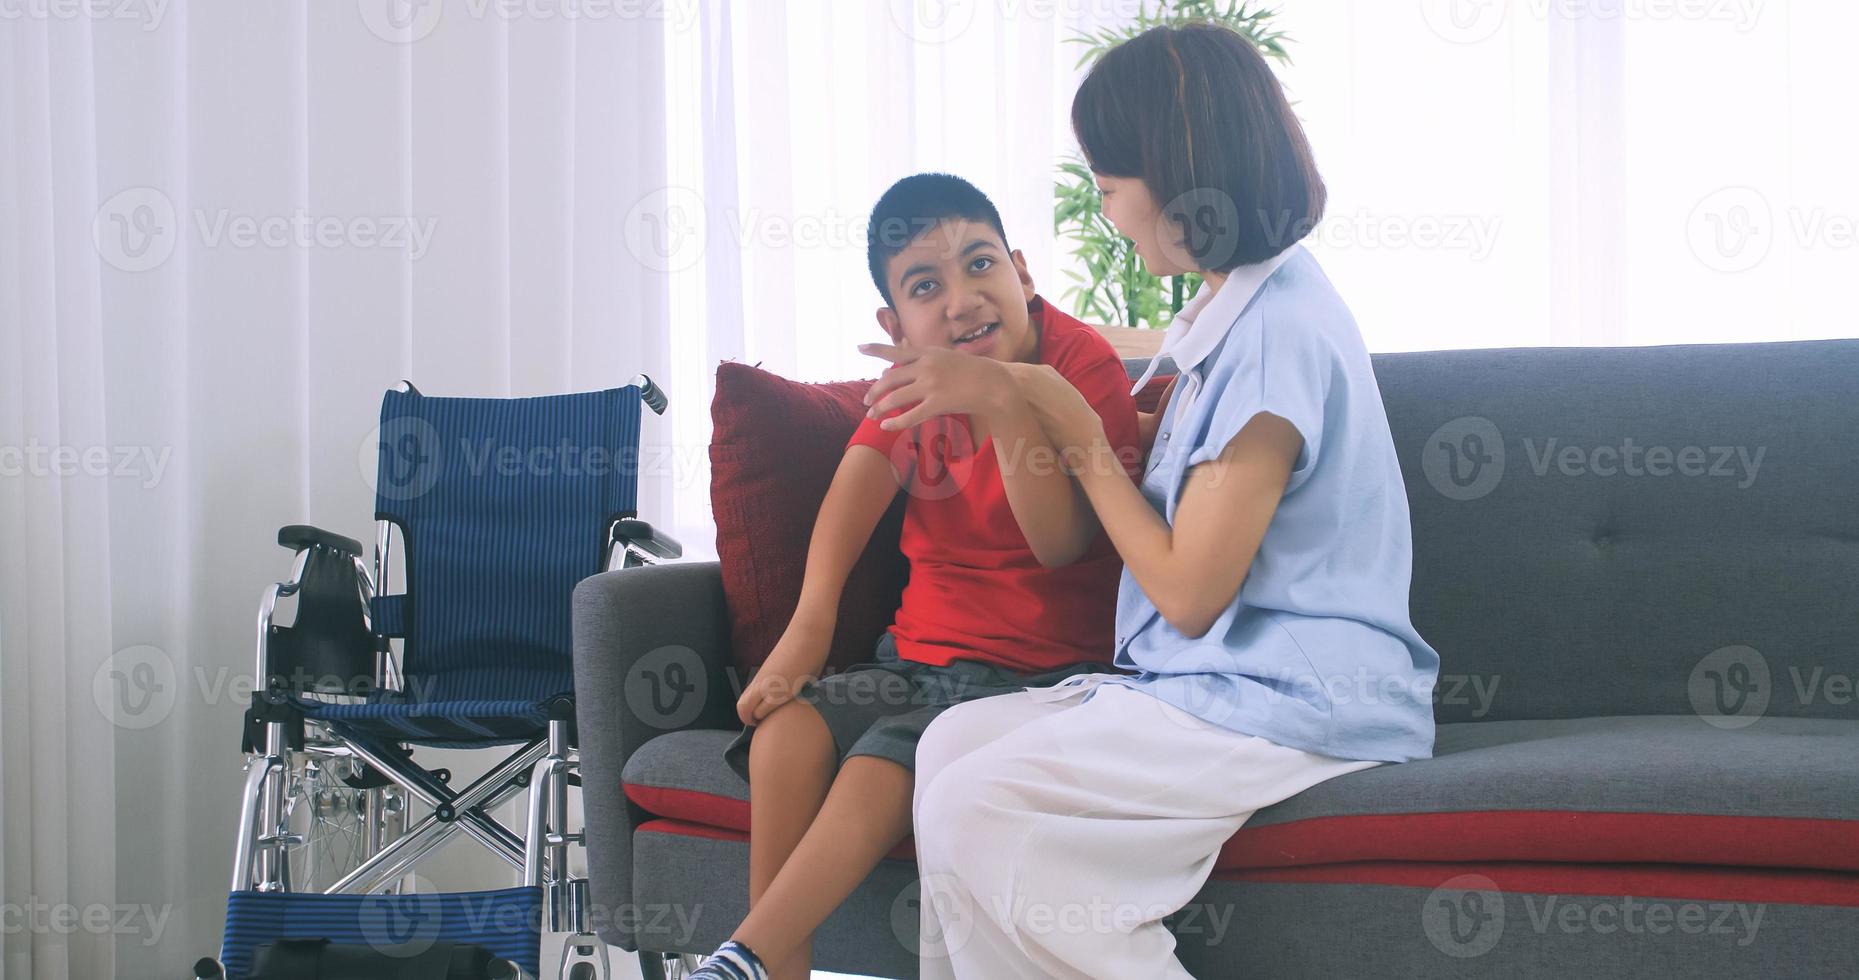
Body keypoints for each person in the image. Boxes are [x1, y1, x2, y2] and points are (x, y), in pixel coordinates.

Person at [900, 24, 1443, 978]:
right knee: (950, 745)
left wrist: (1075, 428)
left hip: (1297, 696)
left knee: (971, 805)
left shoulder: (1276, 337)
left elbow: (1191, 592)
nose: (1103, 209)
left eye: (1109, 186)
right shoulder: (1229, 311)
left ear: (1176, 176)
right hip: (1218, 681)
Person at [684, 172, 1142, 980]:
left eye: (979, 265)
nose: (962, 300)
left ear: (1023, 273)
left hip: (1044, 676)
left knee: (880, 765)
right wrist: (809, 627)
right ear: (895, 324)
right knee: (783, 738)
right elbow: (855, 487)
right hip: (921, 658)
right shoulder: (917, 380)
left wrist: (999, 400)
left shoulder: (1080, 366)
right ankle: (772, 974)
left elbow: (1060, 544)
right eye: (928, 287)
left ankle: (739, 959)